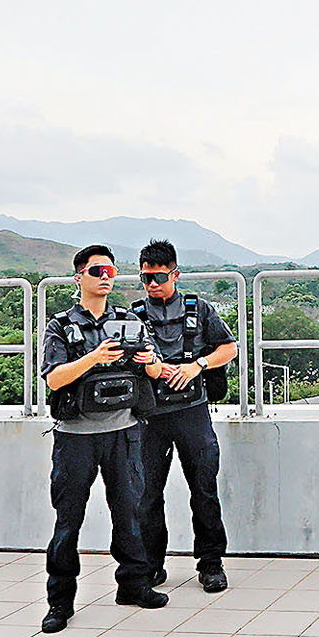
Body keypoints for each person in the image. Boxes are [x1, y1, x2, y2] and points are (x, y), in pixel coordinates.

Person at [41, 244, 169, 632]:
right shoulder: (61, 326)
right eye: (97, 271)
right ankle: (60, 603)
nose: (106, 278)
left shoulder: (129, 320)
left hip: (124, 431)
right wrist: (94, 357)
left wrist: (150, 363)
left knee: (130, 513)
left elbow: (156, 370)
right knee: (69, 520)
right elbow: (53, 378)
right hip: (76, 436)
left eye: (111, 272)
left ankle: (134, 585)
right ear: (79, 277)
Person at [134, 239, 238, 592]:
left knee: (204, 490)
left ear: (175, 274)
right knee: (147, 495)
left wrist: (197, 366)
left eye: (159, 277)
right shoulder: (134, 316)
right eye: (146, 278)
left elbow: (229, 348)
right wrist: (152, 366)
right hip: (151, 416)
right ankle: (151, 566)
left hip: (192, 413)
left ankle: (210, 563)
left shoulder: (200, 309)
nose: (152, 285)